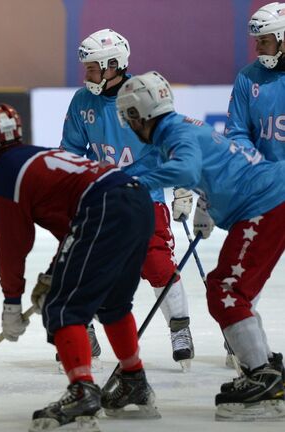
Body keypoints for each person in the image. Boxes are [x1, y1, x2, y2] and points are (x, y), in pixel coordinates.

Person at [0, 104, 160, 431]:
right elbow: (74, 229)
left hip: (103, 207)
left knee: (62, 307)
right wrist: (58, 268)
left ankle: (82, 392)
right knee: (112, 302)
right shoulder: (38, 155)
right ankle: (133, 380)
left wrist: (11, 303)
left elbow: (13, 246)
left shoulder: (5, 176)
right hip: (136, 198)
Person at [116, 71, 285, 421]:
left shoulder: (175, 132)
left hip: (265, 205)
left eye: (128, 117)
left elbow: (187, 166)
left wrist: (134, 184)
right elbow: (203, 164)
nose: (128, 125)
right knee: (229, 288)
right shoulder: (175, 128)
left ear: (137, 115)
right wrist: (205, 207)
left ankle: (264, 379)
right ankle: (266, 368)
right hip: (265, 200)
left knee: (226, 290)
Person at [60, 28, 194, 369]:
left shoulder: (144, 95)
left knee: (157, 264)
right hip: (102, 198)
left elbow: (174, 142)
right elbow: (72, 151)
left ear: (113, 65)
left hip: (143, 196)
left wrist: (181, 186)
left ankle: (180, 328)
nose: (86, 73)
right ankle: (82, 331)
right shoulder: (82, 101)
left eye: (92, 67)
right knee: (83, 264)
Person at [225, 2, 285, 162]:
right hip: (264, 180)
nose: (257, 49)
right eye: (257, 41)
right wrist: (259, 168)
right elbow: (236, 133)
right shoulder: (247, 77)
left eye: (264, 41)